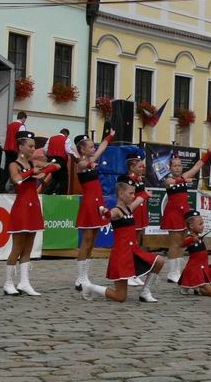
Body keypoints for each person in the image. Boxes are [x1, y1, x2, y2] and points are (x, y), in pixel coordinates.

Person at [82, 175, 165, 303]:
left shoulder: (129, 208)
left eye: (133, 193)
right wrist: (105, 212)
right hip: (121, 255)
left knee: (159, 261)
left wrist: (146, 194)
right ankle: (89, 287)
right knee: (120, 297)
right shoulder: (118, 211)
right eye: (130, 193)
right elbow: (111, 215)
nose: (133, 196)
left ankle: (145, 291)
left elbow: (139, 198)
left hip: (133, 251)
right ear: (121, 194)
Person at [3, 131, 59, 296]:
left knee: (28, 247)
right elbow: (16, 179)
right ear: (21, 147)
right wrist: (33, 171)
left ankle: (24, 282)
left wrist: (43, 171)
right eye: (31, 146)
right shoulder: (14, 164)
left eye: (34, 146)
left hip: (34, 206)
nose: (34, 149)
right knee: (17, 247)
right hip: (21, 208)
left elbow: (58, 166)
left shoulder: (34, 162)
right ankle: (8, 283)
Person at [162, 146, 211, 283]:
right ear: (170, 167)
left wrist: (207, 154)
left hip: (184, 214)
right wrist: (184, 180)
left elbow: (197, 166)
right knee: (175, 244)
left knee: (183, 242)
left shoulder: (184, 176)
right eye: (175, 166)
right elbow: (171, 183)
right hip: (173, 214)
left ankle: (178, 270)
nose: (178, 168)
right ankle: (172, 272)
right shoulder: (168, 180)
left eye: (179, 165)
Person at [73, 130, 115, 291]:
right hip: (90, 203)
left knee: (92, 242)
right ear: (82, 150)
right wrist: (90, 164)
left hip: (98, 202)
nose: (93, 148)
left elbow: (103, 147)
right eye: (90, 147)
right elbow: (83, 164)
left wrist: (110, 136)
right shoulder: (81, 164)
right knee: (86, 241)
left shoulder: (93, 159)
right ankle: (80, 278)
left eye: (93, 146)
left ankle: (84, 276)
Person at [179, 211, 211, 296]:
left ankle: (201, 285)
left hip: (204, 268)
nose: (203, 226)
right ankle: (197, 286)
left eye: (203, 223)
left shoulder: (199, 237)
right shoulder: (191, 238)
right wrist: (192, 239)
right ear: (191, 226)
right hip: (195, 271)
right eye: (200, 224)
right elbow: (182, 244)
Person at [127, 153, 150, 286]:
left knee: (137, 242)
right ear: (131, 167)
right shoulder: (130, 179)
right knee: (131, 243)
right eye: (139, 166)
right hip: (134, 212)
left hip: (141, 212)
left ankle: (135, 272)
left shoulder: (139, 179)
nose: (142, 168)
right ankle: (128, 272)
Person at [43, 128, 78, 195]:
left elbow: (45, 149)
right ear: (66, 134)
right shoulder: (66, 139)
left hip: (51, 159)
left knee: (55, 177)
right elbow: (68, 151)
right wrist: (76, 157)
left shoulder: (51, 138)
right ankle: (62, 194)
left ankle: (47, 193)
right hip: (61, 160)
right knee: (63, 179)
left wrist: (47, 157)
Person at [1, 111, 27, 191]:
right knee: (19, 168)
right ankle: (18, 188)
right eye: (25, 119)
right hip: (15, 149)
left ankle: (0, 186)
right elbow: (22, 138)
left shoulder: (10, 125)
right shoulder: (21, 126)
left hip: (8, 148)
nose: (24, 121)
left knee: (7, 168)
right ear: (23, 118)